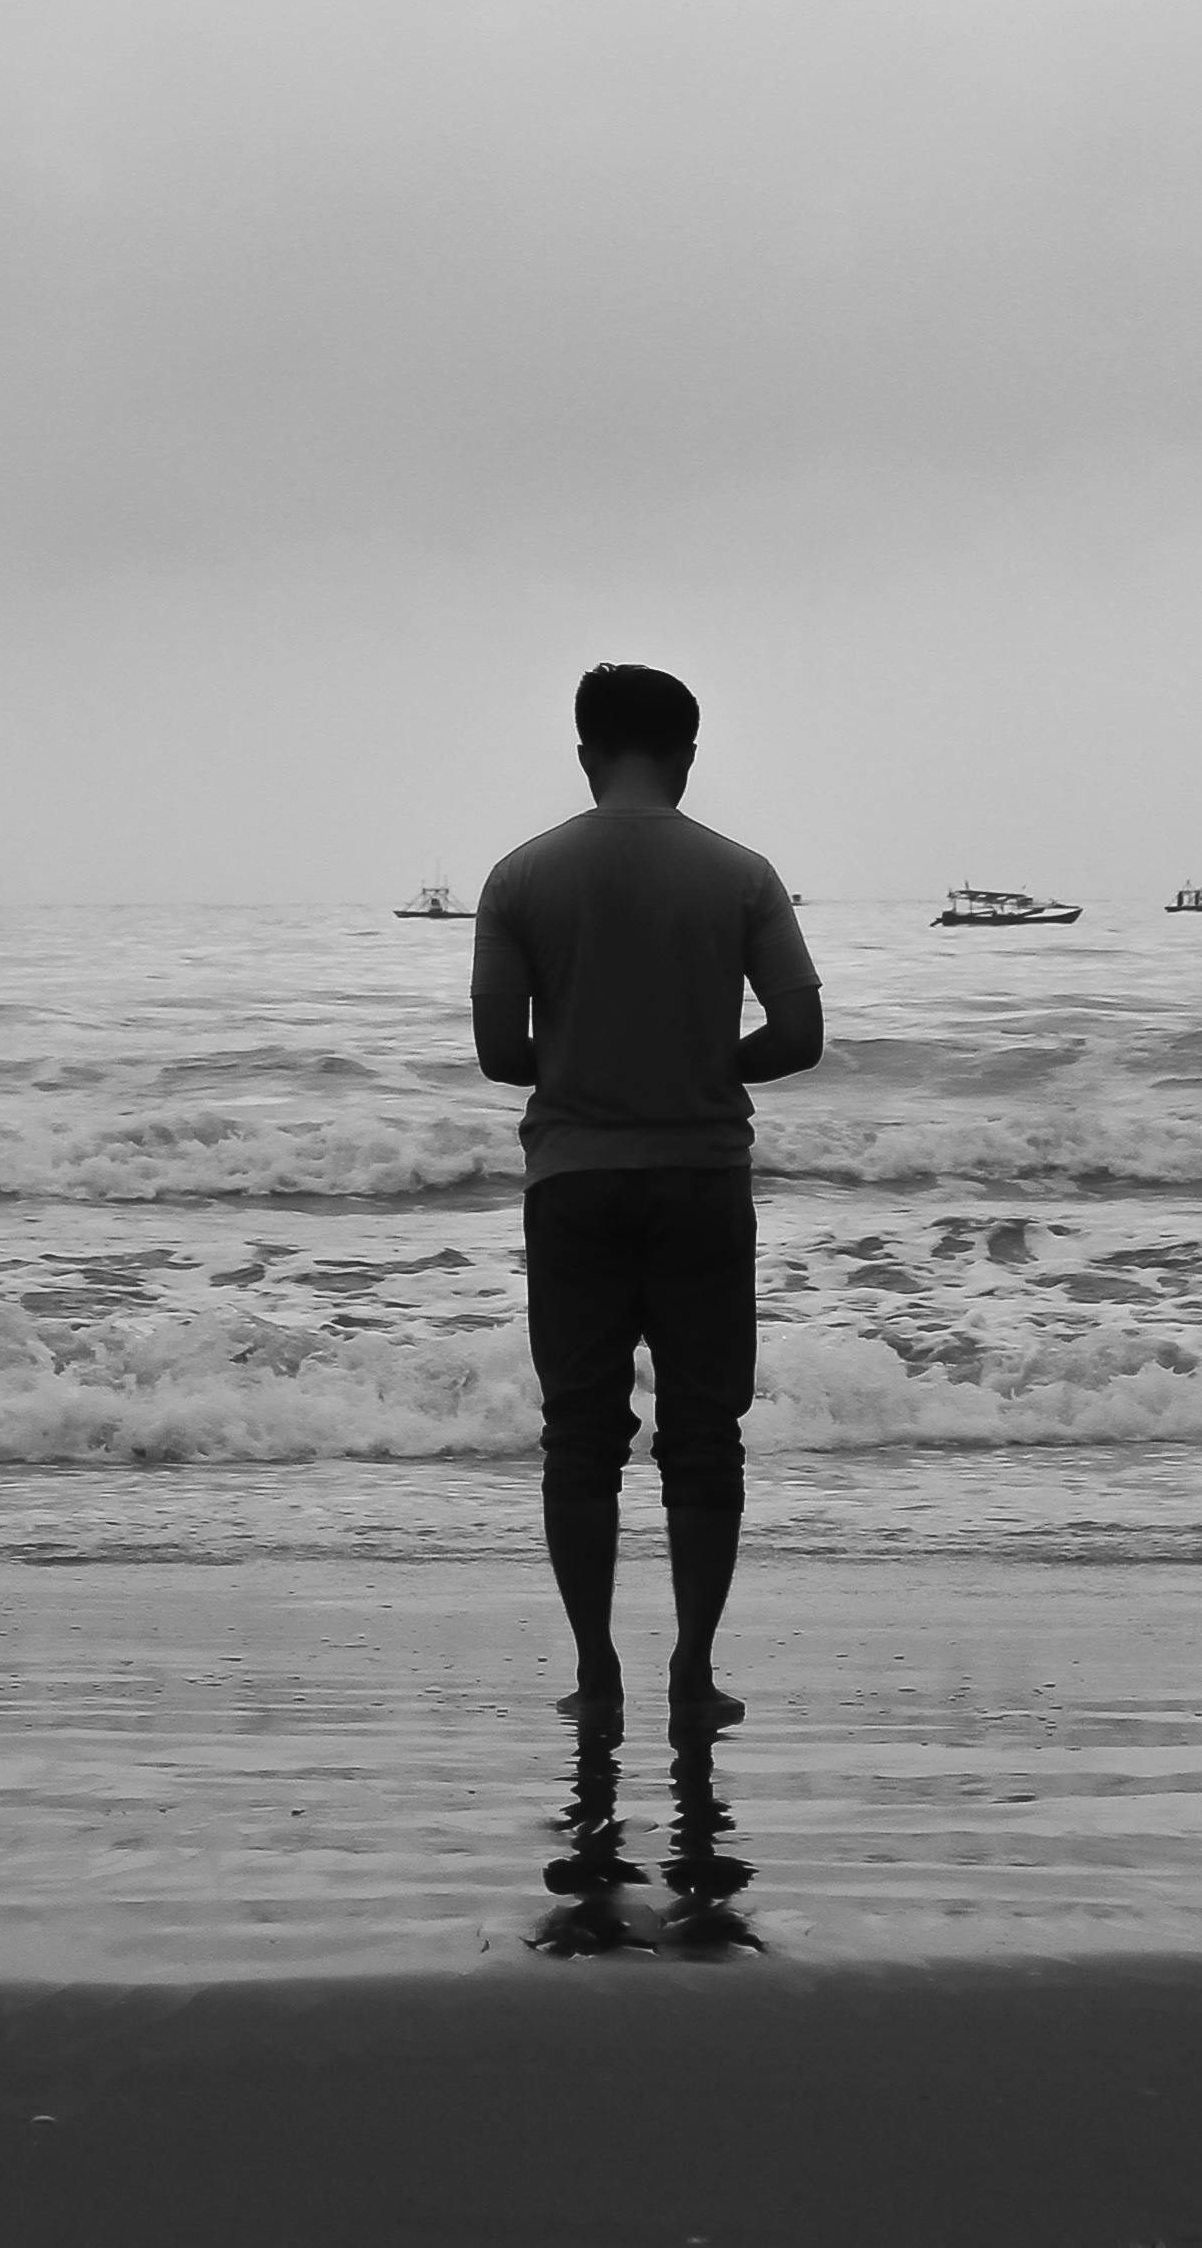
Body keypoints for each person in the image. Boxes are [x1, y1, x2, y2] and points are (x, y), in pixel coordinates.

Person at [468, 662, 822, 1736]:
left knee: (579, 1433)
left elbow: (497, 1052)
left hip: (572, 1179)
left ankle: (595, 1673)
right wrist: (701, 1061)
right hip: (700, 1178)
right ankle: (693, 1672)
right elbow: (800, 1036)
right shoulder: (741, 873)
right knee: (702, 1432)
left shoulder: (519, 877)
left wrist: (586, 1060)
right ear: (686, 755)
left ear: (585, 753)